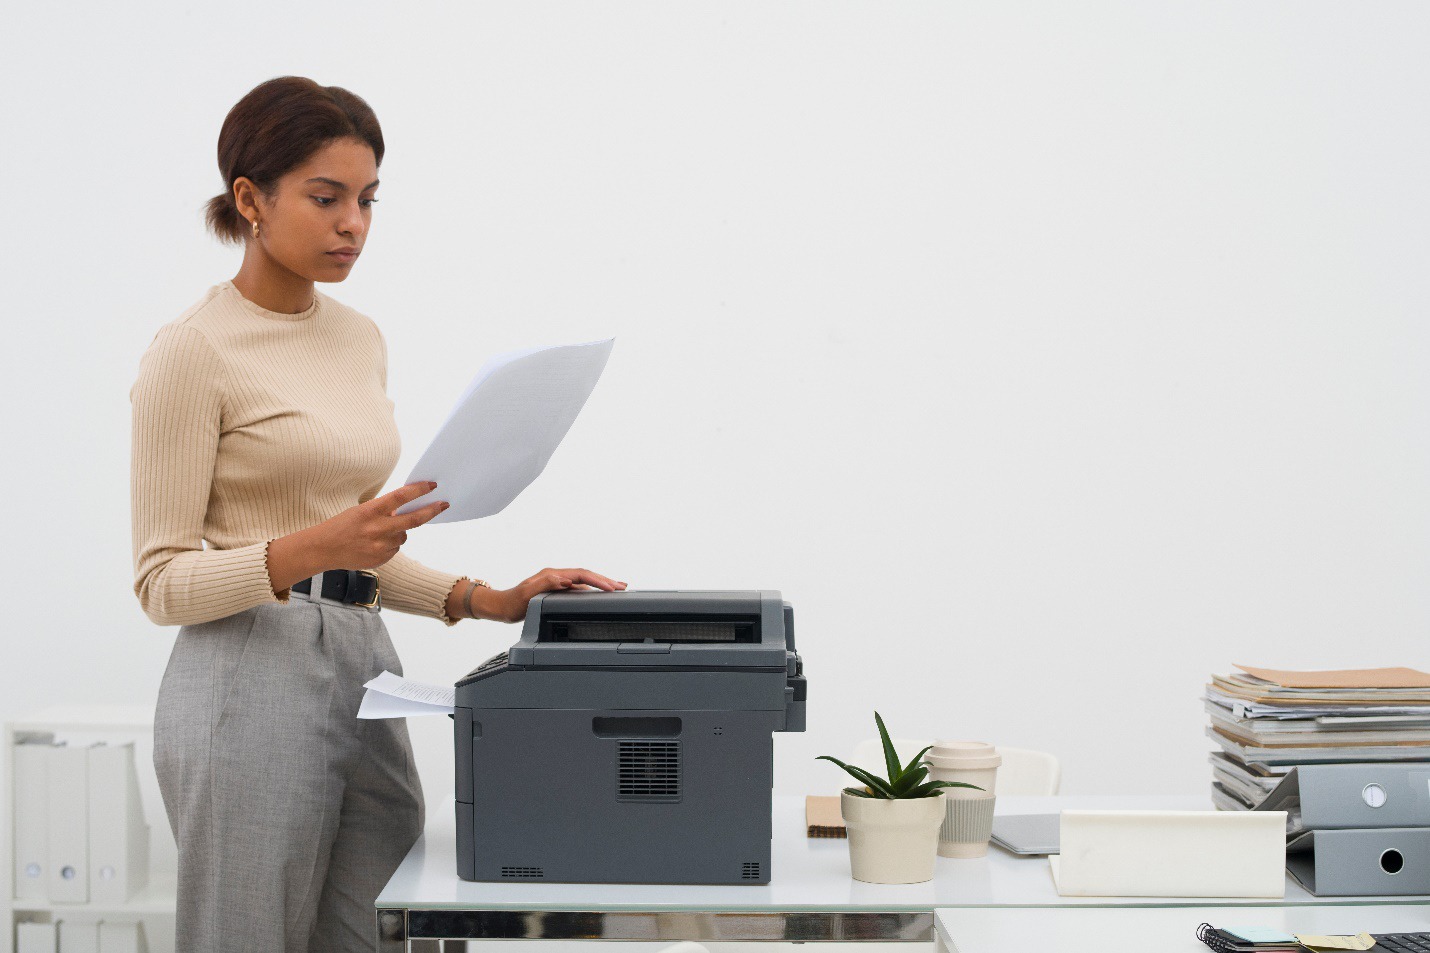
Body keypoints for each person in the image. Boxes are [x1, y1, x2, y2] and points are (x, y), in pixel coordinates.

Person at [129, 75, 627, 953]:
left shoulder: (358, 338)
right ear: (250, 198)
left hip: (365, 664)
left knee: (390, 929)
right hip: (246, 668)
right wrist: (308, 546)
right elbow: (161, 580)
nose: (352, 222)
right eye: (325, 198)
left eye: (366, 199)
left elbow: (360, 541)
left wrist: (487, 599)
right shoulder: (191, 351)